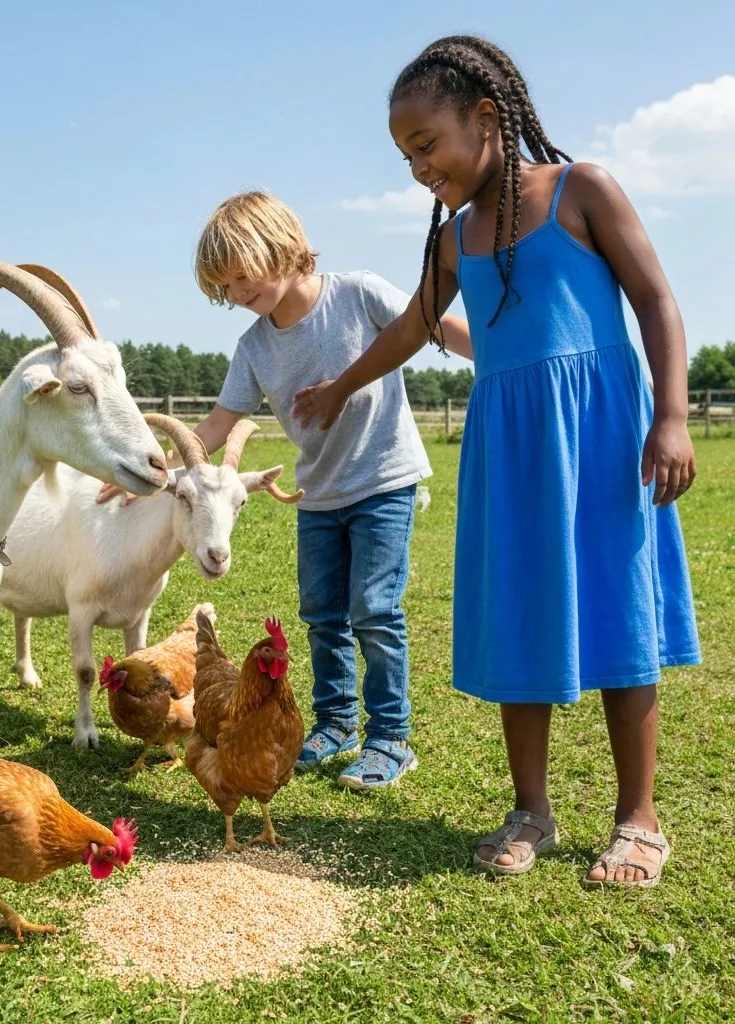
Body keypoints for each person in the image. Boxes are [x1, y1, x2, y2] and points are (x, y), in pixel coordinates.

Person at [292, 36, 699, 884]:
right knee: (520, 615)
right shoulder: (453, 242)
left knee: (619, 617)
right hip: (510, 451)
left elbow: (657, 300)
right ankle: (532, 810)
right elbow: (410, 329)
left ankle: (638, 816)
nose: (417, 169)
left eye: (426, 146)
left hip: (602, 438)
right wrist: (338, 386)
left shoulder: (580, 190)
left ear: (486, 118)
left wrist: (671, 418)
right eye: (404, 155)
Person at [100, 190, 470, 788]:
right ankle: (335, 723)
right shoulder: (254, 347)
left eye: (241, 276)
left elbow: (432, 324)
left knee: (373, 610)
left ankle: (390, 738)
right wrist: (151, 472)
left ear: (281, 248)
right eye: (225, 289)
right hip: (319, 493)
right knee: (322, 614)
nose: (237, 295)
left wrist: (501, 354)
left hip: (383, 481)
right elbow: (217, 425)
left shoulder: (358, 293)